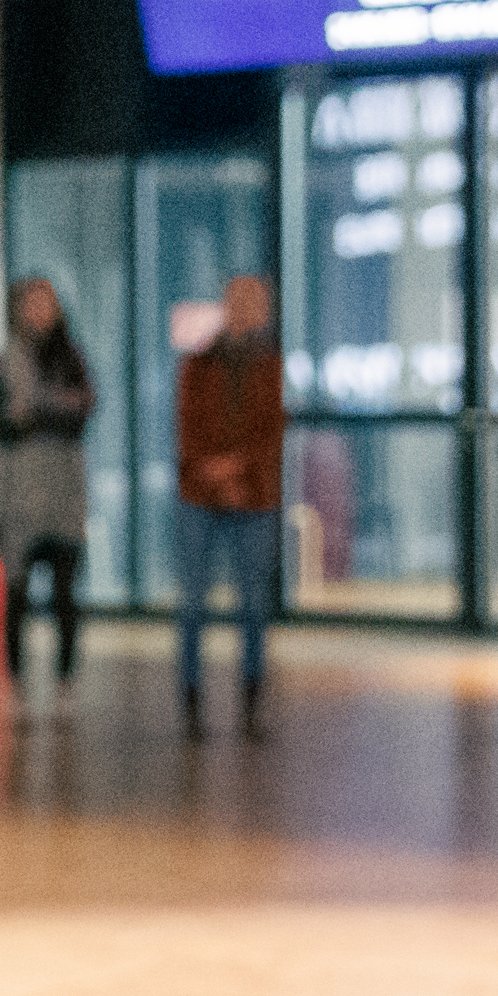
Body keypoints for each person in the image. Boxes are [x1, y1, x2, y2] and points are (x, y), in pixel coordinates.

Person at [170, 269, 286, 740]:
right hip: (200, 494)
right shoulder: (198, 365)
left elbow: (271, 430)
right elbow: (188, 428)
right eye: (238, 300)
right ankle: (192, 702)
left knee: (254, 603)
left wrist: (238, 470)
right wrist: (217, 474)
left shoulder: (271, 367)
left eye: (255, 301)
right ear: (226, 305)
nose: (247, 309)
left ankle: (252, 705)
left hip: (254, 496)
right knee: (193, 601)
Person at [0, 275, 96, 690]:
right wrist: (55, 408)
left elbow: (80, 418)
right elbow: (3, 427)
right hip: (18, 497)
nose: (38, 312)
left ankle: (65, 679)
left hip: (65, 494)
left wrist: (33, 411)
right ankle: (15, 684)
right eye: (30, 303)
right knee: (16, 594)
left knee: (66, 593)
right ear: (18, 310)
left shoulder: (73, 360)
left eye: (45, 303)